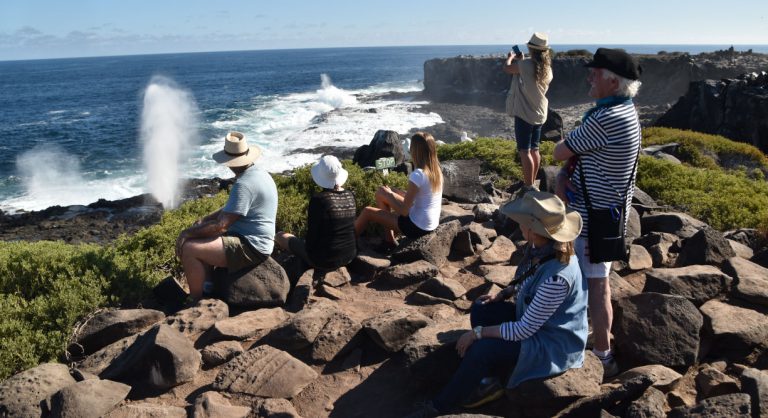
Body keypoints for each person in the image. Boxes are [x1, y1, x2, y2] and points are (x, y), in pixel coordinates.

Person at [406, 192, 587, 417]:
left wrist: (478, 334)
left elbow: (524, 330)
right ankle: (487, 378)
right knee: (482, 307)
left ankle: (441, 405)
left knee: (482, 348)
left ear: (533, 229)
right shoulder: (542, 249)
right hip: (537, 323)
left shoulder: (557, 277)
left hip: (551, 342)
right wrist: (504, 294)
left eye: (523, 222)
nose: (519, 225)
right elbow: (528, 278)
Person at [553, 48, 643, 378]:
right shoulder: (627, 111)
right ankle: (597, 344)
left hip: (590, 221)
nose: (590, 77)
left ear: (612, 80)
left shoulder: (606, 118)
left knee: (593, 284)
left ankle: (601, 354)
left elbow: (558, 150)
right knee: (594, 281)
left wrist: (564, 177)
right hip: (607, 214)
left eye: (595, 72)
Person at [175, 131, 278, 300]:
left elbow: (221, 225)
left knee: (190, 248)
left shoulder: (244, 184)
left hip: (252, 246)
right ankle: (208, 288)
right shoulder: (258, 173)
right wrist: (206, 219)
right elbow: (233, 208)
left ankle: (195, 302)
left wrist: (186, 233)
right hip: (255, 239)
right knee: (203, 234)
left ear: (230, 162)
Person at [354, 132, 443, 245]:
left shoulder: (418, 174)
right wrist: (394, 192)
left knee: (367, 211)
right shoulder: (436, 170)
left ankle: (346, 245)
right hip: (429, 223)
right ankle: (389, 239)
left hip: (416, 227)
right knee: (382, 192)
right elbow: (421, 196)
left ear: (415, 151)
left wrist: (390, 195)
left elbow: (404, 212)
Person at [275, 155, 357, 271]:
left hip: (324, 261)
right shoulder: (350, 195)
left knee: (280, 236)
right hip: (349, 255)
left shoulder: (319, 200)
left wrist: (302, 246)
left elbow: (312, 238)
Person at [503, 32, 553, 190]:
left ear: (531, 49)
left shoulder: (525, 66)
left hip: (525, 113)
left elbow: (507, 69)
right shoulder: (546, 68)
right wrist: (522, 61)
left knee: (524, 151)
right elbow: (531, 77)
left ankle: (529, 185)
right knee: (535, 148)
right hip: (539, 112)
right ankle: (533, 182)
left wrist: (510, 57)